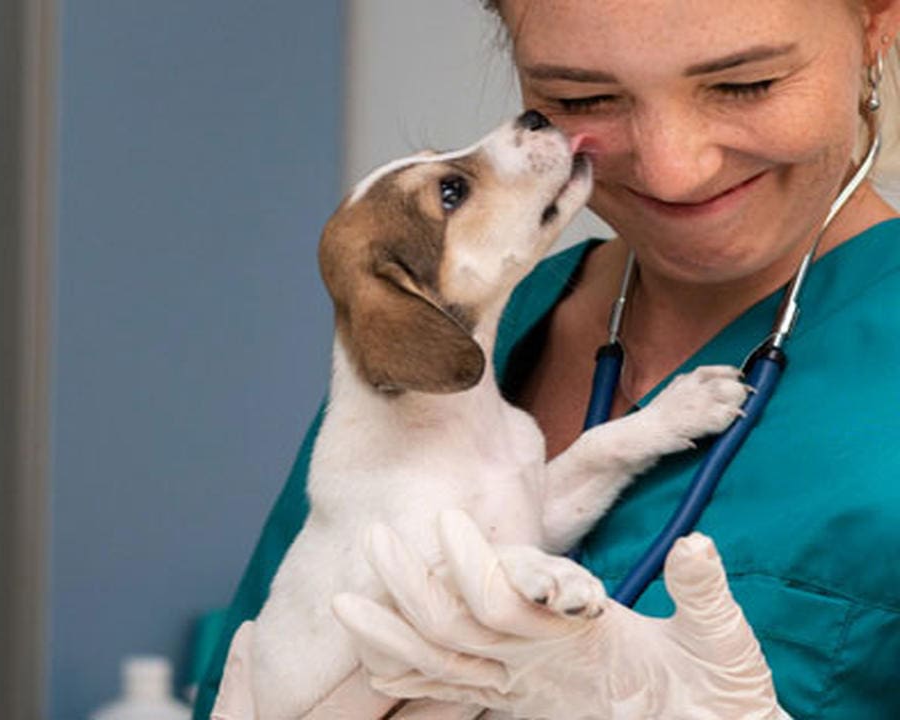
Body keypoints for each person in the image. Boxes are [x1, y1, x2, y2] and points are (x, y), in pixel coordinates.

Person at [195, 0, 900, 717]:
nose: (673, 170)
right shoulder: (442, 344)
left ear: (877, 21)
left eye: (745, 84)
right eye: (582, 98)